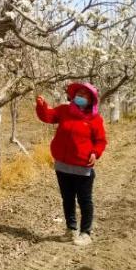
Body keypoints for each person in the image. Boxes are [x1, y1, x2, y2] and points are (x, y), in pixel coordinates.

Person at [35, 82, 107, 247]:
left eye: (85, 95)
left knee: (84, 200)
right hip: (62, 166)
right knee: (67, 198)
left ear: (91, 100)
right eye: (79, 94)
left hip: (82, 167)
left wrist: (95, 153)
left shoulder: (95, 119)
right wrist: (41, 106)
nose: (80, 97)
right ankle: (70, 229)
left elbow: (101, 141)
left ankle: (86, 233)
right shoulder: (64, 110)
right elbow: (48, 116)